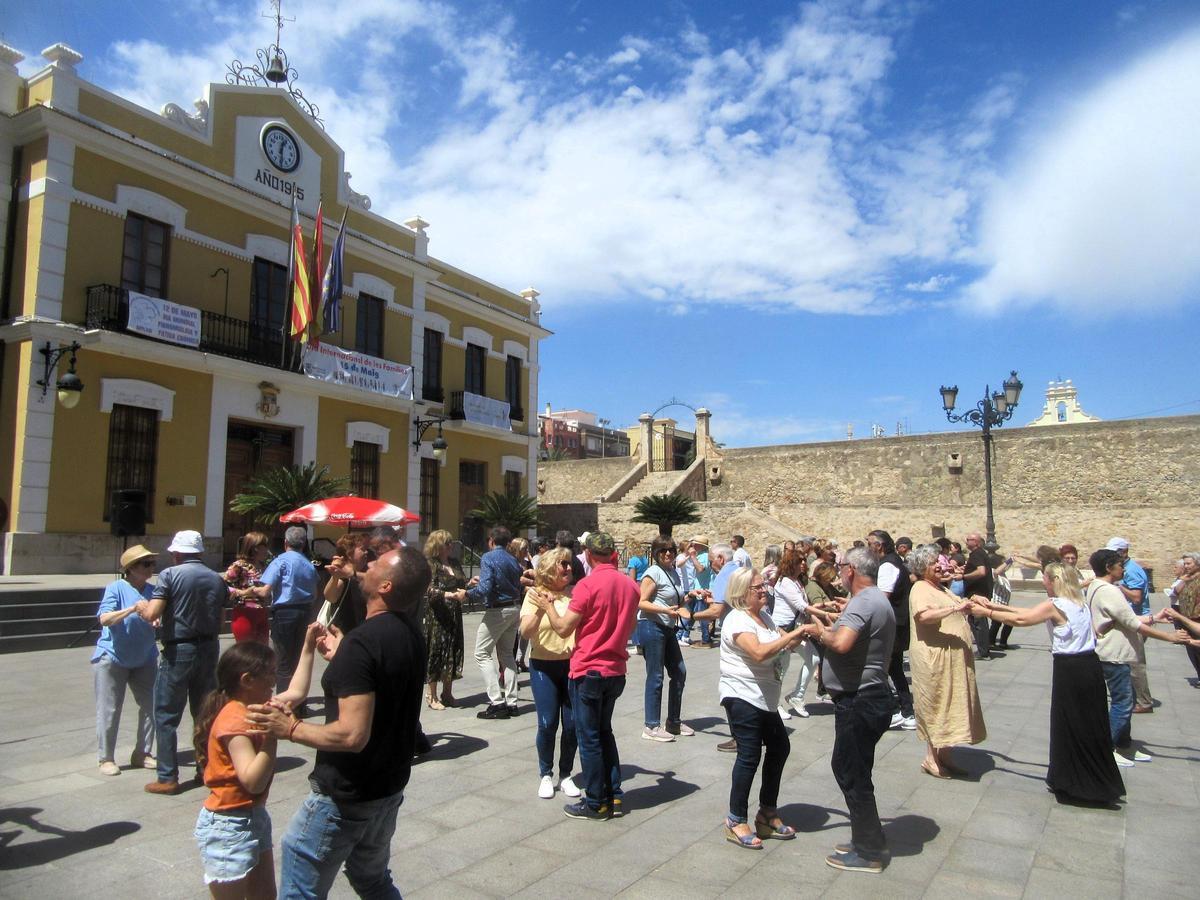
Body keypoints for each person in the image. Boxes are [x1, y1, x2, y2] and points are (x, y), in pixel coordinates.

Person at [245, 546, 430, 898]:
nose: (367, 565)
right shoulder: (408, 633)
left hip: (345, 797)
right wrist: (344, 655)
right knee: (372, 879)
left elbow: (352, 735)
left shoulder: (365, 642)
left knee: (300, 889)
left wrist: (292, 729)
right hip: (387, 790)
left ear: (386, 586)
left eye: (374, 564)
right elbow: (380, 685)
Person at [970, 563, 1125, 805]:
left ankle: (1080, 785)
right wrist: (992, 605)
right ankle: (1081, 778)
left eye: (1045, 577)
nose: (1043, 581)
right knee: (1087, 725)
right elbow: (1026, 610)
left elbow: (1022, 619)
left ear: (1054, 580)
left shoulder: (1056, 605)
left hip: (1071, 671)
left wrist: (986, 613)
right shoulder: (1078, 601)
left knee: (1071, 724)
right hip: (1089, 668)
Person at [191, 626, 321, 896]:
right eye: (270, 675)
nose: (274, 682)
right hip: (228, 824)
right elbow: (252, 779)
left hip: (252, 816)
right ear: (247, 680)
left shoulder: (252, 707)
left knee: (265, 895)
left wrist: (308, 646)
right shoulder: (236, 720)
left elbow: (296, 691)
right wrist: (273, 736)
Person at [796, 546, 895, 874]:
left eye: (840, 567)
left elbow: (840, 644)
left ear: (851, 570)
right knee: (855, 770)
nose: (838, 571)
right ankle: (868, 837)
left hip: (859, 700)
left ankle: (868, 851)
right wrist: (840, 618)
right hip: (871, 696)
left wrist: (818, 631)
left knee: (850, 772)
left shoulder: (863, 602)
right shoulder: (875, 599)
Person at [535, 532, 639, 820]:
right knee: (605, 731)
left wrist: (547, 607)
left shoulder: (587, 586)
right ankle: (614, 795)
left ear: (589, 555)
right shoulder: (631, 586)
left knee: (589, 736)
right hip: (616, 669)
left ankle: (595, 802)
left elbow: (564, 628)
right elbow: (630, 628)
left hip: (589, 669)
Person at [718, 567, 807, 848]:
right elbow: (757, 652)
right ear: (742, 593)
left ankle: (767, 813)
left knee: (780, 747)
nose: (764, 590)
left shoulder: (764, 617)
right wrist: (797, 632)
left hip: (765, 696)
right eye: (757, 587)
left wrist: (811, 628)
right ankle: (735, 819)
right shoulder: (737, 620)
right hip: (741, 695)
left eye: (764, 586)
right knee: (749, 754)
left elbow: (785, 641)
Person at [138, 530, 227, 795]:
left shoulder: (169, 575)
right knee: (204, 713)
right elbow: (222, 621)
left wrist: (142, 608)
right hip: (210, 647)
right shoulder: (216, 579)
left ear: (177, 553)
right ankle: (206, 769)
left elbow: (154, 612)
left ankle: (167, 777)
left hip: (179, 649)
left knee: (166, 714)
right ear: (200, 552)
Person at [1085, 548, 1185, 767]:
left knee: (1126, 700)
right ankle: (1106, 748)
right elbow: (1132, 624)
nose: (1123, 568)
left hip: (1114, 652)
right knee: (1122, 702)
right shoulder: (1110, 591)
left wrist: (1154, 617)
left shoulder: (1097, 587)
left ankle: (1124, 744)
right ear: (1109, 567)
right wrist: (1169, 637)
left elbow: (1124, 617)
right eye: (1120, 565)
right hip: (1115, 655)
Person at [906, 543, 987, 778]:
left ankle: (945, 756)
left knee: (952, 706)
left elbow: (956, 603)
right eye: (934, 563)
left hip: (951, 658)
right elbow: (924, 616)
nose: (940, 566)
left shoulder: (939, 587)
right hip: (935, 658)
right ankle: (931, 758)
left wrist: (970, 602)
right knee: (938, 706)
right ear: (923, 567)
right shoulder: (920, 588)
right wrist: (955, 609)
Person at [520, 547, 582, 800]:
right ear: (548, 568)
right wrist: (543, 606)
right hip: (543, 665)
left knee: (572, 724)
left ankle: (565, 774)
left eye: (569, 564)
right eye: (562, 564)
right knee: (547, 723)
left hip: (571, 666)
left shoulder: (576, 594)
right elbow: (525, 632)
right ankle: (546, 774)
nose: (568, 568)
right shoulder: (535, 596)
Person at [92, 544, 159, 777]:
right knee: (109, 708)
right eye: (145, 563)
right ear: (130, 569)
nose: (151, 567)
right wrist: (132, 609)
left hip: (145, 656)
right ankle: (106, 757)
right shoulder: (116, 588)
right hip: (113, 656)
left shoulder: (154, 591)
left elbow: (159, 615)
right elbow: (105, 619)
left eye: (152, 563)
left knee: (151, 706)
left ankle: (143, 752)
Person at [241, 526, 318, 695]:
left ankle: (284, 699)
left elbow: (265, 590)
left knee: (283, 660)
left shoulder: (280, 561)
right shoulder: (309, 564)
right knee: (299, 658)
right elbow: (315, 592)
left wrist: (248, 590)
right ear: (304, 544)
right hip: (305, 612)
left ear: (285, 543)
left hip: (285, 613)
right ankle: (300, 701)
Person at [636, 535, 694, 742]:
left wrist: (692, 595)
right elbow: (641, 602)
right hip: (652, 627)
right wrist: (664, 610)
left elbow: (675, 599)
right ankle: (651, 726)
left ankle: (673, 722)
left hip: (667, 627)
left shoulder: (672, 572)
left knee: (679, 672)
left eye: (671, 549)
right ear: (655, 554)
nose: (668, 553)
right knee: (656, 675)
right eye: (663, 550)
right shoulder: (653, 573)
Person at [467, 526, 526, 719]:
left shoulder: (488, 557)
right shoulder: (513, 560)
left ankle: (497, 701)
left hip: (498, 610)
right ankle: (512, 701)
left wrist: (467, 593)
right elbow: (513, 583)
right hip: (514, 607)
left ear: (491, 540)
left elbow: (486, 588)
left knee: (482, 653)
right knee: (507, 654)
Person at [868, 530, 916, 732]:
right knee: (894, 669)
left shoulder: (887, 565)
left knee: (878, 668)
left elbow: (883, 597)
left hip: (892, 625)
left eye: (869, 542)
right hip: (897, 624)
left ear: (879, 545)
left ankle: (895, 710)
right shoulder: (893, 561)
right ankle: (907, 711)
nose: (867, 546)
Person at [1106, 538, 1154, 713]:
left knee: (1135, 663)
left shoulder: (1132, 571)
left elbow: (1136, 597)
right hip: (1132, 619)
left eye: (1114, 552)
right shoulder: (1128, 568)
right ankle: (1134, 696)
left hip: (1137, 620)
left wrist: (1119, 588)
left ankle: (1144, 701)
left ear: (1123, 551)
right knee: (1128, 661)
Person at [423, 530, 469, 710]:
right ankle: (431, 694)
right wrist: (448, 594)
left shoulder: (455, 563)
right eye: (447, 543)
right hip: (437, 614)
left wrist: (469, 584)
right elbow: (428, 590)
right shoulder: (430, 564)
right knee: (436, 651)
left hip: (454, 614)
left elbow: (462, 584)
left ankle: (447, 692)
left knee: (453, 649)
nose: (451, 546)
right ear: (438, 545)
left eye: (451, 543)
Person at [771, 549, 818, 719]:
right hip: (784, 628)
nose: (804, 563)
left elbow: (804, 605)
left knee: (813, 658)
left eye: (804, 560)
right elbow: (801, 605)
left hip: (797, 628)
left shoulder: (797, 581)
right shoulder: (785, 582)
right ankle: (775, 704)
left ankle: (796, 696)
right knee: (781, 668)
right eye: (800, 561)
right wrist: (826, 615)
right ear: (791, 563)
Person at [223, 532, 270, 644]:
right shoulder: (238, 566)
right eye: (265, 546)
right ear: (255, 548)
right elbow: (224, 587)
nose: (267, 550)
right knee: (247, 652)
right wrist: (244, 592)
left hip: (262, 613)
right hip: (244, 614)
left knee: (263, 653)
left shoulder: (263, 566)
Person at [320, 533, 371, 635]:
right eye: (362, 549)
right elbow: (330, 597)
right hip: (344, 635)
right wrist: (335, 577)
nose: (366, 552)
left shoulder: (366, 572)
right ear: (349, 553)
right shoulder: (343, 577)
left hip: (362, 633)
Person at [960, 532, 993, 660]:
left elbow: (981, 571)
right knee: (974, 621)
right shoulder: (978, 554)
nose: (967, 541)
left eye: (969, 540)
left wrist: (963, 576)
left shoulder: (977, 553)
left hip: (978, 593)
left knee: (979, 622)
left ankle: (984, 651)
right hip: (978, 592)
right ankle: (983, 649)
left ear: (977, 542)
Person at [676, 536, 712, 647]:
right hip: (695, 589)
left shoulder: (704, 556)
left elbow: (700, 569)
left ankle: (704, 639)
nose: (693, 546)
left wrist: (692, 556)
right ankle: (683, 635)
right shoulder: (697, 556)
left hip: (700, 590)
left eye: (694, 544)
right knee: (692, 614)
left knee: (699, 615)